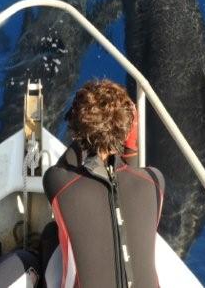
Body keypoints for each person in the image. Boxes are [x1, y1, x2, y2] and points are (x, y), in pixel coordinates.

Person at [43, 79, 165, 288]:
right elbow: (128, 170)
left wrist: (85, 127)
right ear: (127, 129)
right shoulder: (154, 181)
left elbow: (70, 163)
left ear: (77, 128)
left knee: (48, 234)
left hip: (101, 135)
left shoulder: (58, 183)